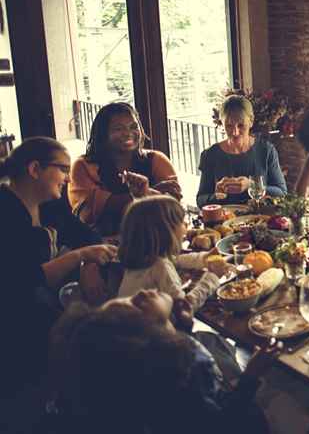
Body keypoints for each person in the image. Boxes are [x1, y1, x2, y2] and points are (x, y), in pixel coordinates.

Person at [0, 137, 117, 429]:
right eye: (62, 169)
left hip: (41, 308)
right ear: (35, 169)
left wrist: (89, 264)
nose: (68, 177)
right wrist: (81, 255)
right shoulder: (5, 211)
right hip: (14, 325)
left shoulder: (50, 206)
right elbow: (22, 281)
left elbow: (87, 235)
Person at [47, 290, 272, 434]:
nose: (143, 292)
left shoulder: (163, 358)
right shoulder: (185, 376)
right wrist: (250, 377)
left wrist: (184, 328)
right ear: (148, 338)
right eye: (137, 304)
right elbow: (223, 423)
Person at [69, 102, 182, 236]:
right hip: (102, 246)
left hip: (156, 239)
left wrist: (142, 195)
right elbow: (89, 214)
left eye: (133, 127)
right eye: (118, 129)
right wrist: (151, 193)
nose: (128, 133)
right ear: (103, 133)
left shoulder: (157, 159)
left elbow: (174, 208)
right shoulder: (83, 166)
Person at [117, 196, 231, 311]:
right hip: (150, 328)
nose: (186, 224)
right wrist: (212, 277)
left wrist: (203, 259)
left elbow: (176, 260)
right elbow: (184, 309)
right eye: (181, 222)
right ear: (166, 232)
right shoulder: (160, 267)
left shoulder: (142, 259)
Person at [197, 95, 287, 207]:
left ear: (251, 121)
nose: (235, 132)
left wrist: (252, 185)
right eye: (229, 125)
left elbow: (282, 193)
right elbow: (201, 200)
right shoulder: (210, 155)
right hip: (224, 222)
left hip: (260, 218)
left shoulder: (266, 150)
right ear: (221, 123)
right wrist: (217, 195)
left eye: (241, 125)